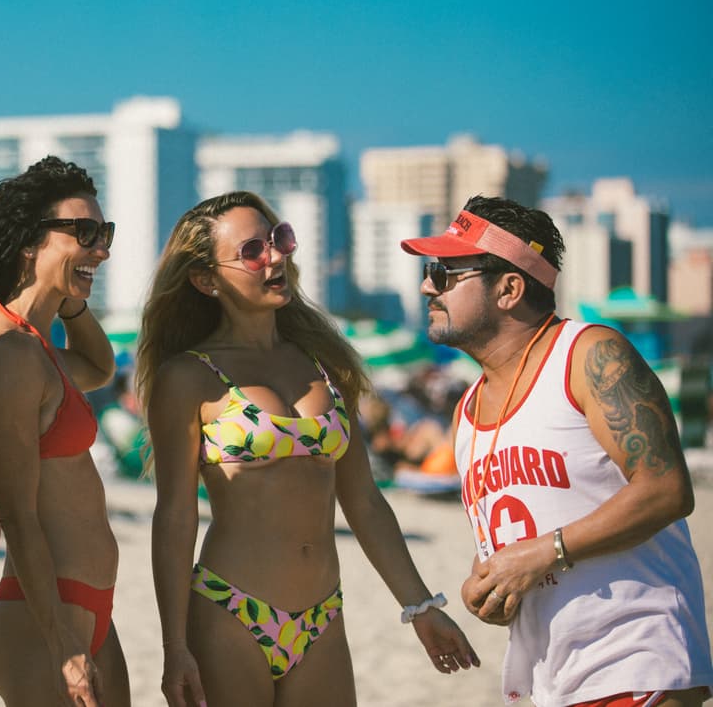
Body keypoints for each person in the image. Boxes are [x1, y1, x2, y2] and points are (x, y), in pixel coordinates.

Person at [139, 191, 478, 707]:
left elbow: (364, 501)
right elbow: (175, 516)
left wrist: (421, 606)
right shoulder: (187, 377)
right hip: (230, 610)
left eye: (279, 239)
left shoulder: (325, 365)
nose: (275, 256)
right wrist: (173, 647)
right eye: (252, 250)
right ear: (206, 280)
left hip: (323, 616)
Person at [402, 196, 713, 707]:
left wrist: (542, 554)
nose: (427, 285)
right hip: (555, 679)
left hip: (636, 660)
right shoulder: (467, 412)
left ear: (509, 289)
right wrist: (492, 587)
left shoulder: (589, 354)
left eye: (446, 271)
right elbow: (518, 548)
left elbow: (667, 490)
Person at [0, 156, 128, 707]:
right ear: (28, 242)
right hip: (47, 620)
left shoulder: (38, 345)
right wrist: (64, 646)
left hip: (86, 610)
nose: (101, 249)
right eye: (84, 233)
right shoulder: (10, 354)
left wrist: (69, 299)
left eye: (104, 233)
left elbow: (101, 368)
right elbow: (19, 515)